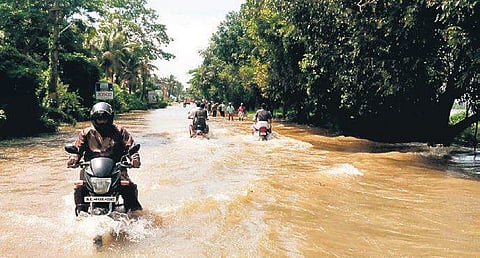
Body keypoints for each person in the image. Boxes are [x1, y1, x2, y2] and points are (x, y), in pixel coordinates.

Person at [67, 102, 142, 214]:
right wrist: (73, 158)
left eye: (104, 118)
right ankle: (80, 214)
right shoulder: (86, 133)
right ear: (93, 119)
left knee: (128, 186)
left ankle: (135, 216)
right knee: (80, 187)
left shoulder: (120, 131)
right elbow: (77, 149)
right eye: (99, 119)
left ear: (110, 118)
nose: (101, 121)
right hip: (90, 170)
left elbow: (130, 146)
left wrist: (134, 159)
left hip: (117, 169)